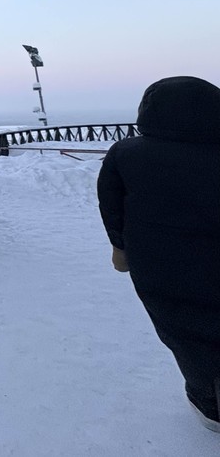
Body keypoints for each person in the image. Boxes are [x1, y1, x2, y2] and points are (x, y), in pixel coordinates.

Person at [97, 76, 220, 432]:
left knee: (185, 333)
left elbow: (112, 205)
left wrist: (120, 249)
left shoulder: (127, 153)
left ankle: (208, 404)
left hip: (160, 264)